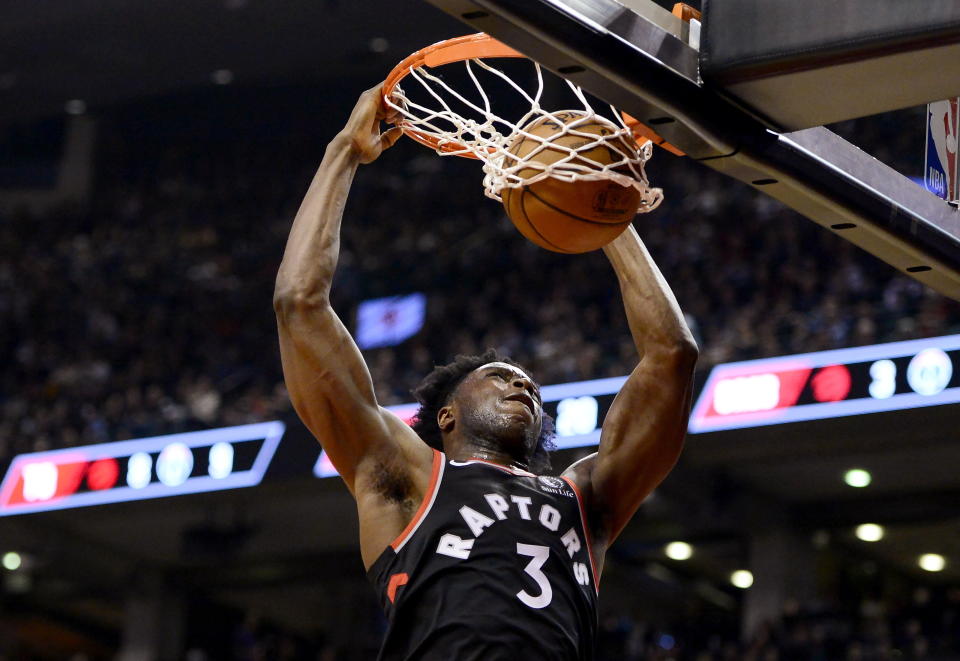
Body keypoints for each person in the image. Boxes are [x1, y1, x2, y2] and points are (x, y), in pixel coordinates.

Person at [273, 83, 698, 661]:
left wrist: (602, 196)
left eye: (527, 383)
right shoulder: (404, 475)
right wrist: (344, 150)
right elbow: (300, 304)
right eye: (500, 376)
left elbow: (672, 356)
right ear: (446, 414)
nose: (522, 384)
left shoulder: (587, 498)